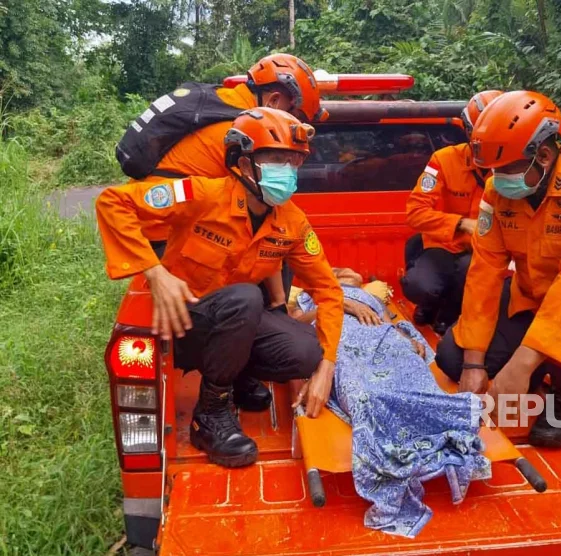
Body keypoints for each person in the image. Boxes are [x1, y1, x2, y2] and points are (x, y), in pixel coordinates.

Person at [96, 108, 344, 468]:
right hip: (182, 324)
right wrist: (155, 272)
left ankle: (237, 371)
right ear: (244, 164)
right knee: (246, 298)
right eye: (276, 159)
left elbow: (328, 290)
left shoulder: (292, 222)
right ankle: (210, 414)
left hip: (232, 324)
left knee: (306, 351)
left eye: (294, 162)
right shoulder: (200, 193)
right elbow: (113, 202)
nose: (287, 172)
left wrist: (327, 367)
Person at [436, 90, 561, 448]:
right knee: (452, 357)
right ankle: (533, 372)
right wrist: (473, 364)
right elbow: (485, 272)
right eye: (491, 170)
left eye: (505, 169)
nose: (496, 178)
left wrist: (520, 365)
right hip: (533, 297)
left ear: (544, 156)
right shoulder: (497, 193)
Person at [294, 268, 490, 538]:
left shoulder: (371, 297)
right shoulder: (315, 296)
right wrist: (338, 304)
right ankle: (412, 429)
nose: (341, 271)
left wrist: (406, 337)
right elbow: (296, 324)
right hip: (342, 336)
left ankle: (438, 420)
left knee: (410, 367)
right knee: (363, 392)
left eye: (347, 271)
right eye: (334, 271)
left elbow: (390, 323)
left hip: (382, 337)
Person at [119, 53, 327, 305]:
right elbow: (259, 222)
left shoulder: (221, 103)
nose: (295, 131)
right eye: (296, 118)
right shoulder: (240, 133)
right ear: (274, 100)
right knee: (269, 250)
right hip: (165, 235)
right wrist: (279, 301)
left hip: (153, 221)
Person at [401, 90, 503, 334]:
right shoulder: (443, 160)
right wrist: (462, 224)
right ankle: (430, 303)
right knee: (419, 284)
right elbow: (415, 212)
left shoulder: (515, 171)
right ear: (469, 132)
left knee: (471, 271)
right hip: (444, 246)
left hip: (488, 252)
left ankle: (450, 316)